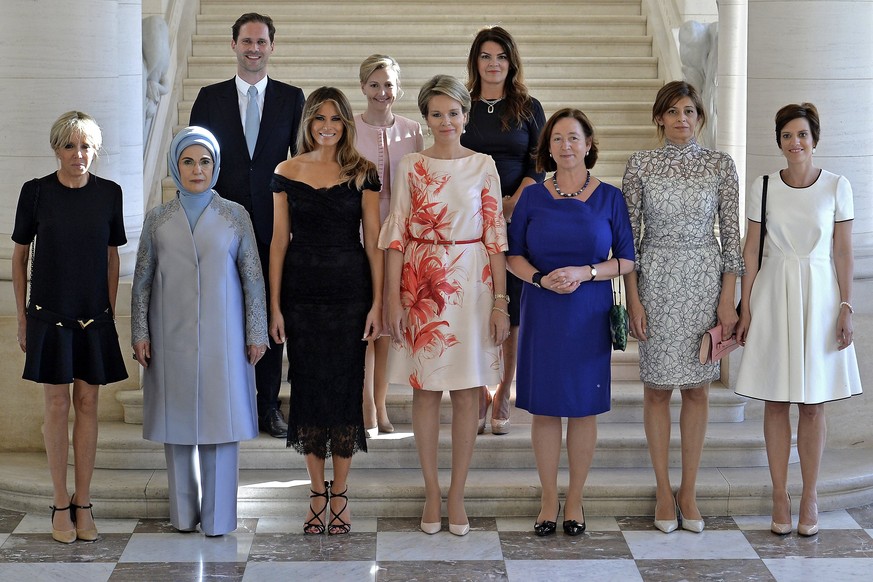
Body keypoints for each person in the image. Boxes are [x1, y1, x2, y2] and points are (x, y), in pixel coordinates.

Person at [380, 74, 509, 536]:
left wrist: (500, 302)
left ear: (465, 115)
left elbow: (496, 237)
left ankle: (457, 493)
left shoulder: (483, 164)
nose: (446, 121)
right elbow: (395, 234)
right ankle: (432, 491)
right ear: (426, 118)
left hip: (472, 281)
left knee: (469, 391)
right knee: (426, 390)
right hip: (423, 280)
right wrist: (394, 299)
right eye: (437, 114)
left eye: (453, 112)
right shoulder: (411, 164)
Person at [132, 126, 267, 537]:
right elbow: (141, 281)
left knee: (221, 426)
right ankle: (183, 516)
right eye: (188, 161)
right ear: (175, 165)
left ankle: (219, 519)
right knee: (178, 429)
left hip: (224, 338)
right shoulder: (158, 218)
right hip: (168, 334)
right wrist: (140, 332)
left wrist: (256, 330)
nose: (197, 169)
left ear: (216, 165)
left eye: (204, 161)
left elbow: (253, 278)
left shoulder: (235, 214)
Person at [735, 103, 862, 536]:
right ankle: (778, 494)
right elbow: (751, 250)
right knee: (775, 398)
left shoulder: (837, 186)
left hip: (821, 294)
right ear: (779, 140)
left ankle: (809, 495)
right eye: (788, 135)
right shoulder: (764, 185)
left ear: (815, 139)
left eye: (803, 135)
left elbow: (843, 251)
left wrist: (847, 306)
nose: (796, 143)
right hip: (772, 290)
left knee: (813, 403)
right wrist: (745, 305)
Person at [622, 81, 743, 534]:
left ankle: (688, 490)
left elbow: (731, 239)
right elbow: (628, 242)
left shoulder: (719, 164)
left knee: (697, 389)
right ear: (659, 118)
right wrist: (632, 297)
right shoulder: (640, 165)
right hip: (654, 280)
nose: (681, 119)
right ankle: (661, 489)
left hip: (704, 281)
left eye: (689, 111)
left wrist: (727, 300)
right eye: (672, 111)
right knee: (655, 388)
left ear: (700, 117)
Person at [508, 108, 634, 536]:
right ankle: (548, 499)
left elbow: (627, 259)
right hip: (542, 309)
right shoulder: (531, 196)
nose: (566, 146)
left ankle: (575, 500)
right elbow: (513, 256)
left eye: (574, 138)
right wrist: (542, 279)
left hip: (589, 311)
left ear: (588, 145)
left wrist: (586, 272)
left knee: (583, 409)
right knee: (545, 409)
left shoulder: (610, 197)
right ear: (548, 148)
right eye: (558, 139)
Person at [269, 87, 383, 535]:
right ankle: (318, 493)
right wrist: (275, 307)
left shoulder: (364, 172)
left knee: (344, 393)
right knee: (309, 393)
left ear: (347, 123)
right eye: (320, 118)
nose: (328, 126)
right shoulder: (285, 170)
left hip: (350, 296)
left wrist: (378, 302)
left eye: (335, 118)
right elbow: (279, 242)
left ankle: (343, 494)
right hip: (301, 296)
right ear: (308, 122)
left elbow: (373, 241)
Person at [11, 111, 128, 544]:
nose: (78, 155)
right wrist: (23, 318)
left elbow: (113, 257)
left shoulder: (110, 194)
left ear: (95, 150)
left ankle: (85, 502)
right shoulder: (35, 193)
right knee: (57, 406)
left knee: (89, 404)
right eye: (69, 146)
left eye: (85, 146)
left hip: (93, 316)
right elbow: (20, 257)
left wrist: (110, 312)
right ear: (56, 148)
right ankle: (60, 502)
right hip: (47, 314)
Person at [189, 12, 305, 439]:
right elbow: (197, 162)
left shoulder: (292, 98)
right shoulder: (209, 96)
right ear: (233, 44)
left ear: (272, 46)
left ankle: (267, 406)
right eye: (247, 41)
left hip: (274, 225)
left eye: (261, 42)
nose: (254, 49)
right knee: (223, 310)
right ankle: (223, 402)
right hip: (222, 222)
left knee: (271, 310)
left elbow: (300, 163)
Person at [462, 25, 546, 435]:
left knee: (509, 309)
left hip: (516, 218)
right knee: (476, 304)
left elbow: (539, 161)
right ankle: (479, 389)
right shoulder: (462, 104)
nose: (493, 64)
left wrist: (512, 202)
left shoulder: (528, 107)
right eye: (485, 56)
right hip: (467, 219)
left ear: (511, 62)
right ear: (475, 62)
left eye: (500, 57)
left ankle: (503, 394)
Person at [354, 54, 424, 436]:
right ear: (363, 87)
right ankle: (364, 402)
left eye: (389, 85)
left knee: (386, 326)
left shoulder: (413, 130)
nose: (382, 92)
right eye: (375, 84)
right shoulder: (348, 128)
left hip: (400, 234)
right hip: (360, 231)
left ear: (399, 89)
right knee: (366, 318)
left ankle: (380, 404)